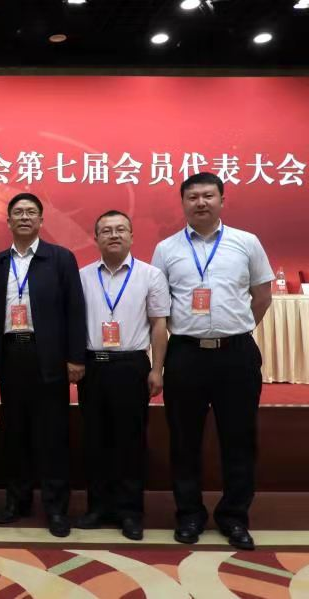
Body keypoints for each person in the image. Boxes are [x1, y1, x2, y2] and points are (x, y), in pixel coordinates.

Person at [152, 172, 273, 551]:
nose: (200, 203)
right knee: (184, 438)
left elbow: (262, 296)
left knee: (239, 438)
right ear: (183, 203)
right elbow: (159, 307)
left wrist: (234, 330)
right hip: (186, 354)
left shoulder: (246, 242)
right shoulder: (166, 249)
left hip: (236, 355)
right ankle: (189, 514)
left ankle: (234, 516)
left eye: (208, 196)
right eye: (193, 197)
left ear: (222, 200)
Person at [0, 192, 86, 538]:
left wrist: (75, 357)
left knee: (52, 434)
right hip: (10, 355)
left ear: (41, 220)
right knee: (15, 433)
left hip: (48, 356)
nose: (24, 217)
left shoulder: (59, 258)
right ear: (8, 221)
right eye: (18, 212)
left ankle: (56, 507)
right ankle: (16, 501)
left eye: (31, 212)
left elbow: (75, 309)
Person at [75, 210, 170, 541]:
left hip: (131, 366)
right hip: (93, 367)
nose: (113, 235)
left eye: (120, 230)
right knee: (95, 440)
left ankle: (130, 511)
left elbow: (159, 324)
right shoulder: (82, 276)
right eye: (106, 230)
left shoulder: (150, 275)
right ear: (96, 238)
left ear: (131, 236)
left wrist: (157, 369)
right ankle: (98, 507)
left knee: (131, 441)